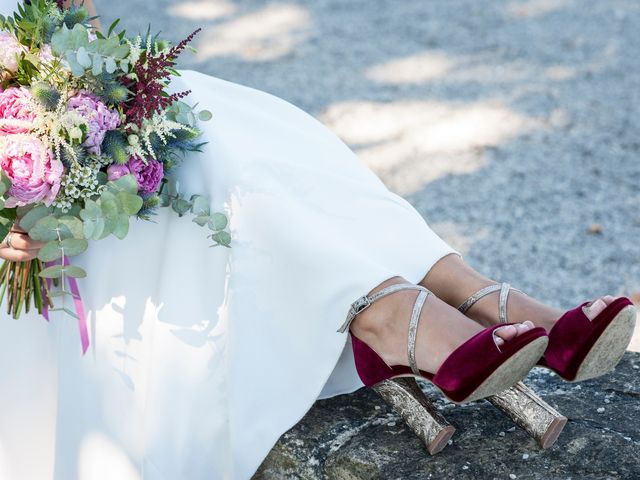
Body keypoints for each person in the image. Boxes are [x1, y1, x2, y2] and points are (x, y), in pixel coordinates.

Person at [0, 1, 635, 478]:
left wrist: (87, 78)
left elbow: (65, 15)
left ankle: (466, 298)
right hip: (31, 219)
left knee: (223, 119)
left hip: (68, 123)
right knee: (203, 159)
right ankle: (398, 314)